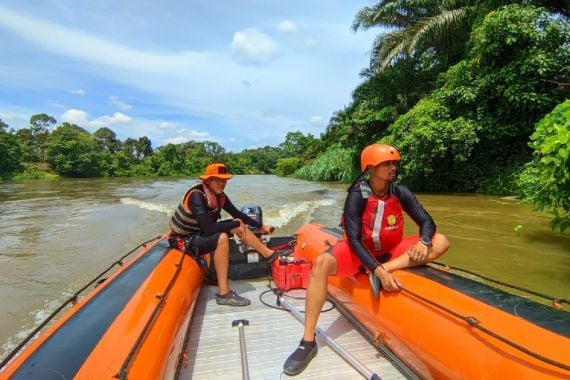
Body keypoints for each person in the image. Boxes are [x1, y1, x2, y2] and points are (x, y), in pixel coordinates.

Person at [283, 143, 450, 376]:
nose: (393, 168)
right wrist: (375, 268)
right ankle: (308, 341)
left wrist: (422, 241)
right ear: (371, 168)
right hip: (359, 252)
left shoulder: (400, 191)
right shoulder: (357, 195)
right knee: (321, 264)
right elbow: (352, 238)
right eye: (387, 164)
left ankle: (387, 268)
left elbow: (427, 222)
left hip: (391, 253)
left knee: (440, 241)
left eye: (395, 163)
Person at [169, 163, 290, 307]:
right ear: (207, 180)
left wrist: (261, 226)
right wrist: (234, 224)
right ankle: (224, 293)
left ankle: (269, 255)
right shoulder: (197, 196)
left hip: (199, 234)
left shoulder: (219, 196)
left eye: (224, 180)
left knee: (236, 222)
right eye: (217, 179)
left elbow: (238, 214)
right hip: (185, 239)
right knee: (222, 237)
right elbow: (208, 229)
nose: (222, 183)